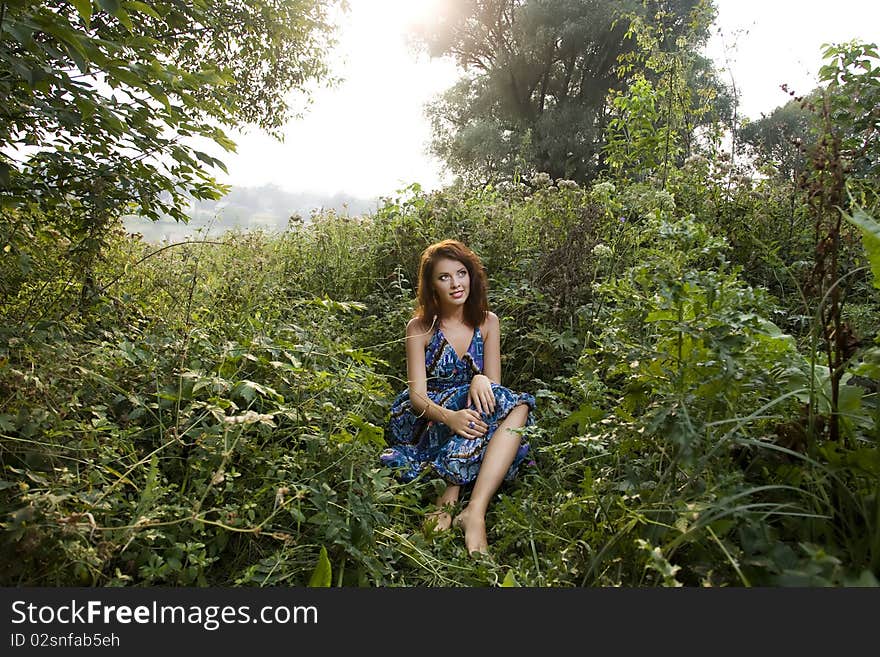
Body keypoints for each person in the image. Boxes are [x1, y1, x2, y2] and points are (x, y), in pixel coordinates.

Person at [380, 239, 536, 555]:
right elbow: (417, 398)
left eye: (461, 273)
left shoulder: (488, 322)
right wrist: (450, 416)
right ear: (431, 286)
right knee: (489, 415)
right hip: (426, 417)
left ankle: (473, 509)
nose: (456, 284)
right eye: (444, 277)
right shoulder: (420, 328)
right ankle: (450, 493)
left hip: (472, 412)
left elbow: (495, 393)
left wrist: (479, 378)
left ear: (471, 276)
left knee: (516, 406)